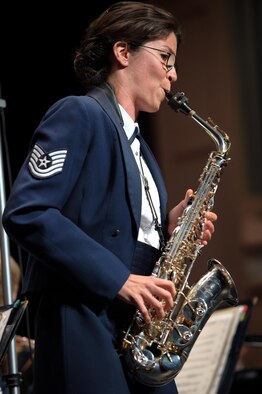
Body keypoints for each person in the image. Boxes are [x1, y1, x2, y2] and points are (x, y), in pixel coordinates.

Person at [1, 2, 217, 393]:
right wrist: (118, 278)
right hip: (83, 313)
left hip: (137, 324)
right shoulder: (79, 113)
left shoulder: (145, 153)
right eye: (165, 57)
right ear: (123, 52)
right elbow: (27, 211)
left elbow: (119, 230)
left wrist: (170, 230)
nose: (173, 74)